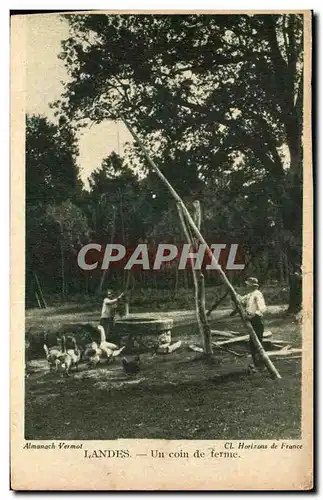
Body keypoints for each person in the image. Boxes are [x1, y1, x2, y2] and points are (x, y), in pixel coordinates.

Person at [238, 277, 266, 373]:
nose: (246, 286)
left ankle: (261, 366)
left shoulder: (257, 294)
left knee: (257, 344)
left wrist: (252, 316)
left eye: (247, 284)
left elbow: (262, 309)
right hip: (252, 321)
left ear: (252, 285)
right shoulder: (250, 295)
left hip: (257, 321)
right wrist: (233, 293)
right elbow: (241, 300)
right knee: (252, 344)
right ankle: (256, 364)